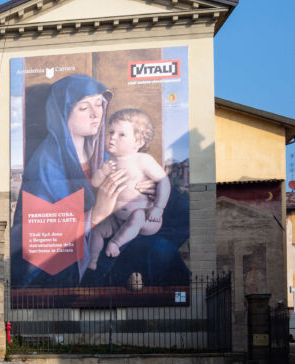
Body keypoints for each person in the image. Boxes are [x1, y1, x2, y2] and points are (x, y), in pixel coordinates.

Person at [11, 74, 188, 288]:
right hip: (72, 259)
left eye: (99, 105)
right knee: (160, 252)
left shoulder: (103, 155)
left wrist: (150, 189)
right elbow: (33, 235)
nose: (96, 114)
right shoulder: (46, 165)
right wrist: (96, 214)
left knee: (170, 236)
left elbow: (172, 207)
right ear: (62, 113)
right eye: (84, 108)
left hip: (122, 234)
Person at [88, 109, 170, 270]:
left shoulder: (143, 160)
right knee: (97, 231)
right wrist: (102, 172)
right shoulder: (109, 162)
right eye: (111, 132)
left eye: (121, 134)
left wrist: (158, 208)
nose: (112, 137)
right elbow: (95, 184)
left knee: (137, 216)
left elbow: (164, 182)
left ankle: (115, 243)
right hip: (117, 218)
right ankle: (93, 261)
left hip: (147, 219)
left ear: (138, 142)